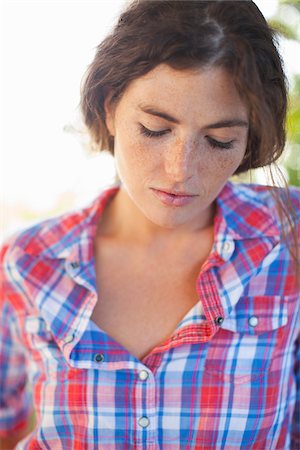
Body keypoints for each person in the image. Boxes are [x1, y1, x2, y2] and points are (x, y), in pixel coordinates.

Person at [0, 0, 299, 448]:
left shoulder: (289, 238)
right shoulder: (27, 263)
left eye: (220, 141)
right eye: (155, 130)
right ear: (108, 108)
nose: (182, 170)